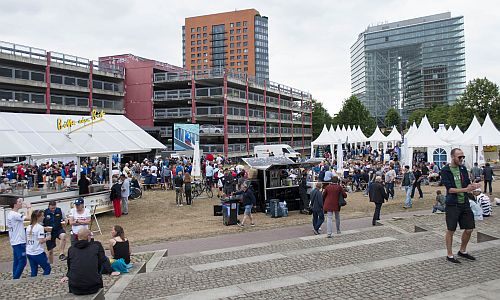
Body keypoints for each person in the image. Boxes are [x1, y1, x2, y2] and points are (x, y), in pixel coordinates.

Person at [440, 148, 481, 263]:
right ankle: (449, 254)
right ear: (453, 157)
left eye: (463, 157)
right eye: (459, 157)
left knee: (469, 228)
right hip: (453, 204)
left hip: (465, 203)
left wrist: (473, 186)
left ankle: (462, 251)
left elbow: (467, 183)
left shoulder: (462, 168)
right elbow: (450, 189)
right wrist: (466, 189)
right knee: (451, 230)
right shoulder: (445, 170)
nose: (462, 159)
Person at [61, 228, 105, 295]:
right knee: (98, 273)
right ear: (88, 237)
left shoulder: (71, 249)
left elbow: (70, 266)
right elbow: (101, 263)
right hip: (93, 286)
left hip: (75, 287)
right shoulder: (95, 247)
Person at [7, 198, 31, 279]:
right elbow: (29, 218)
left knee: (17, 260)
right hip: (19, 241)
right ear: (15, 204)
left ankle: (15, 276)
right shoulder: (14, 214)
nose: (21, 203)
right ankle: (16, 278)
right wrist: (28, 208)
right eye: (19, 202)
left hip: (14, 240)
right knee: (22, 261)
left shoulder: (10, 214)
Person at [26, 210, 51, 277]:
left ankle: (32, 283)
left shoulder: (28, 227)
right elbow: (41, 241)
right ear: (38, 217)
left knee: (34, 270)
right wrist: (47, 238)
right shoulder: (39, 227)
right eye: (42, 216)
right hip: (38, 252)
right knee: (47, 268)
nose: (44, 217)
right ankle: (44, 281)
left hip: (29, 252)